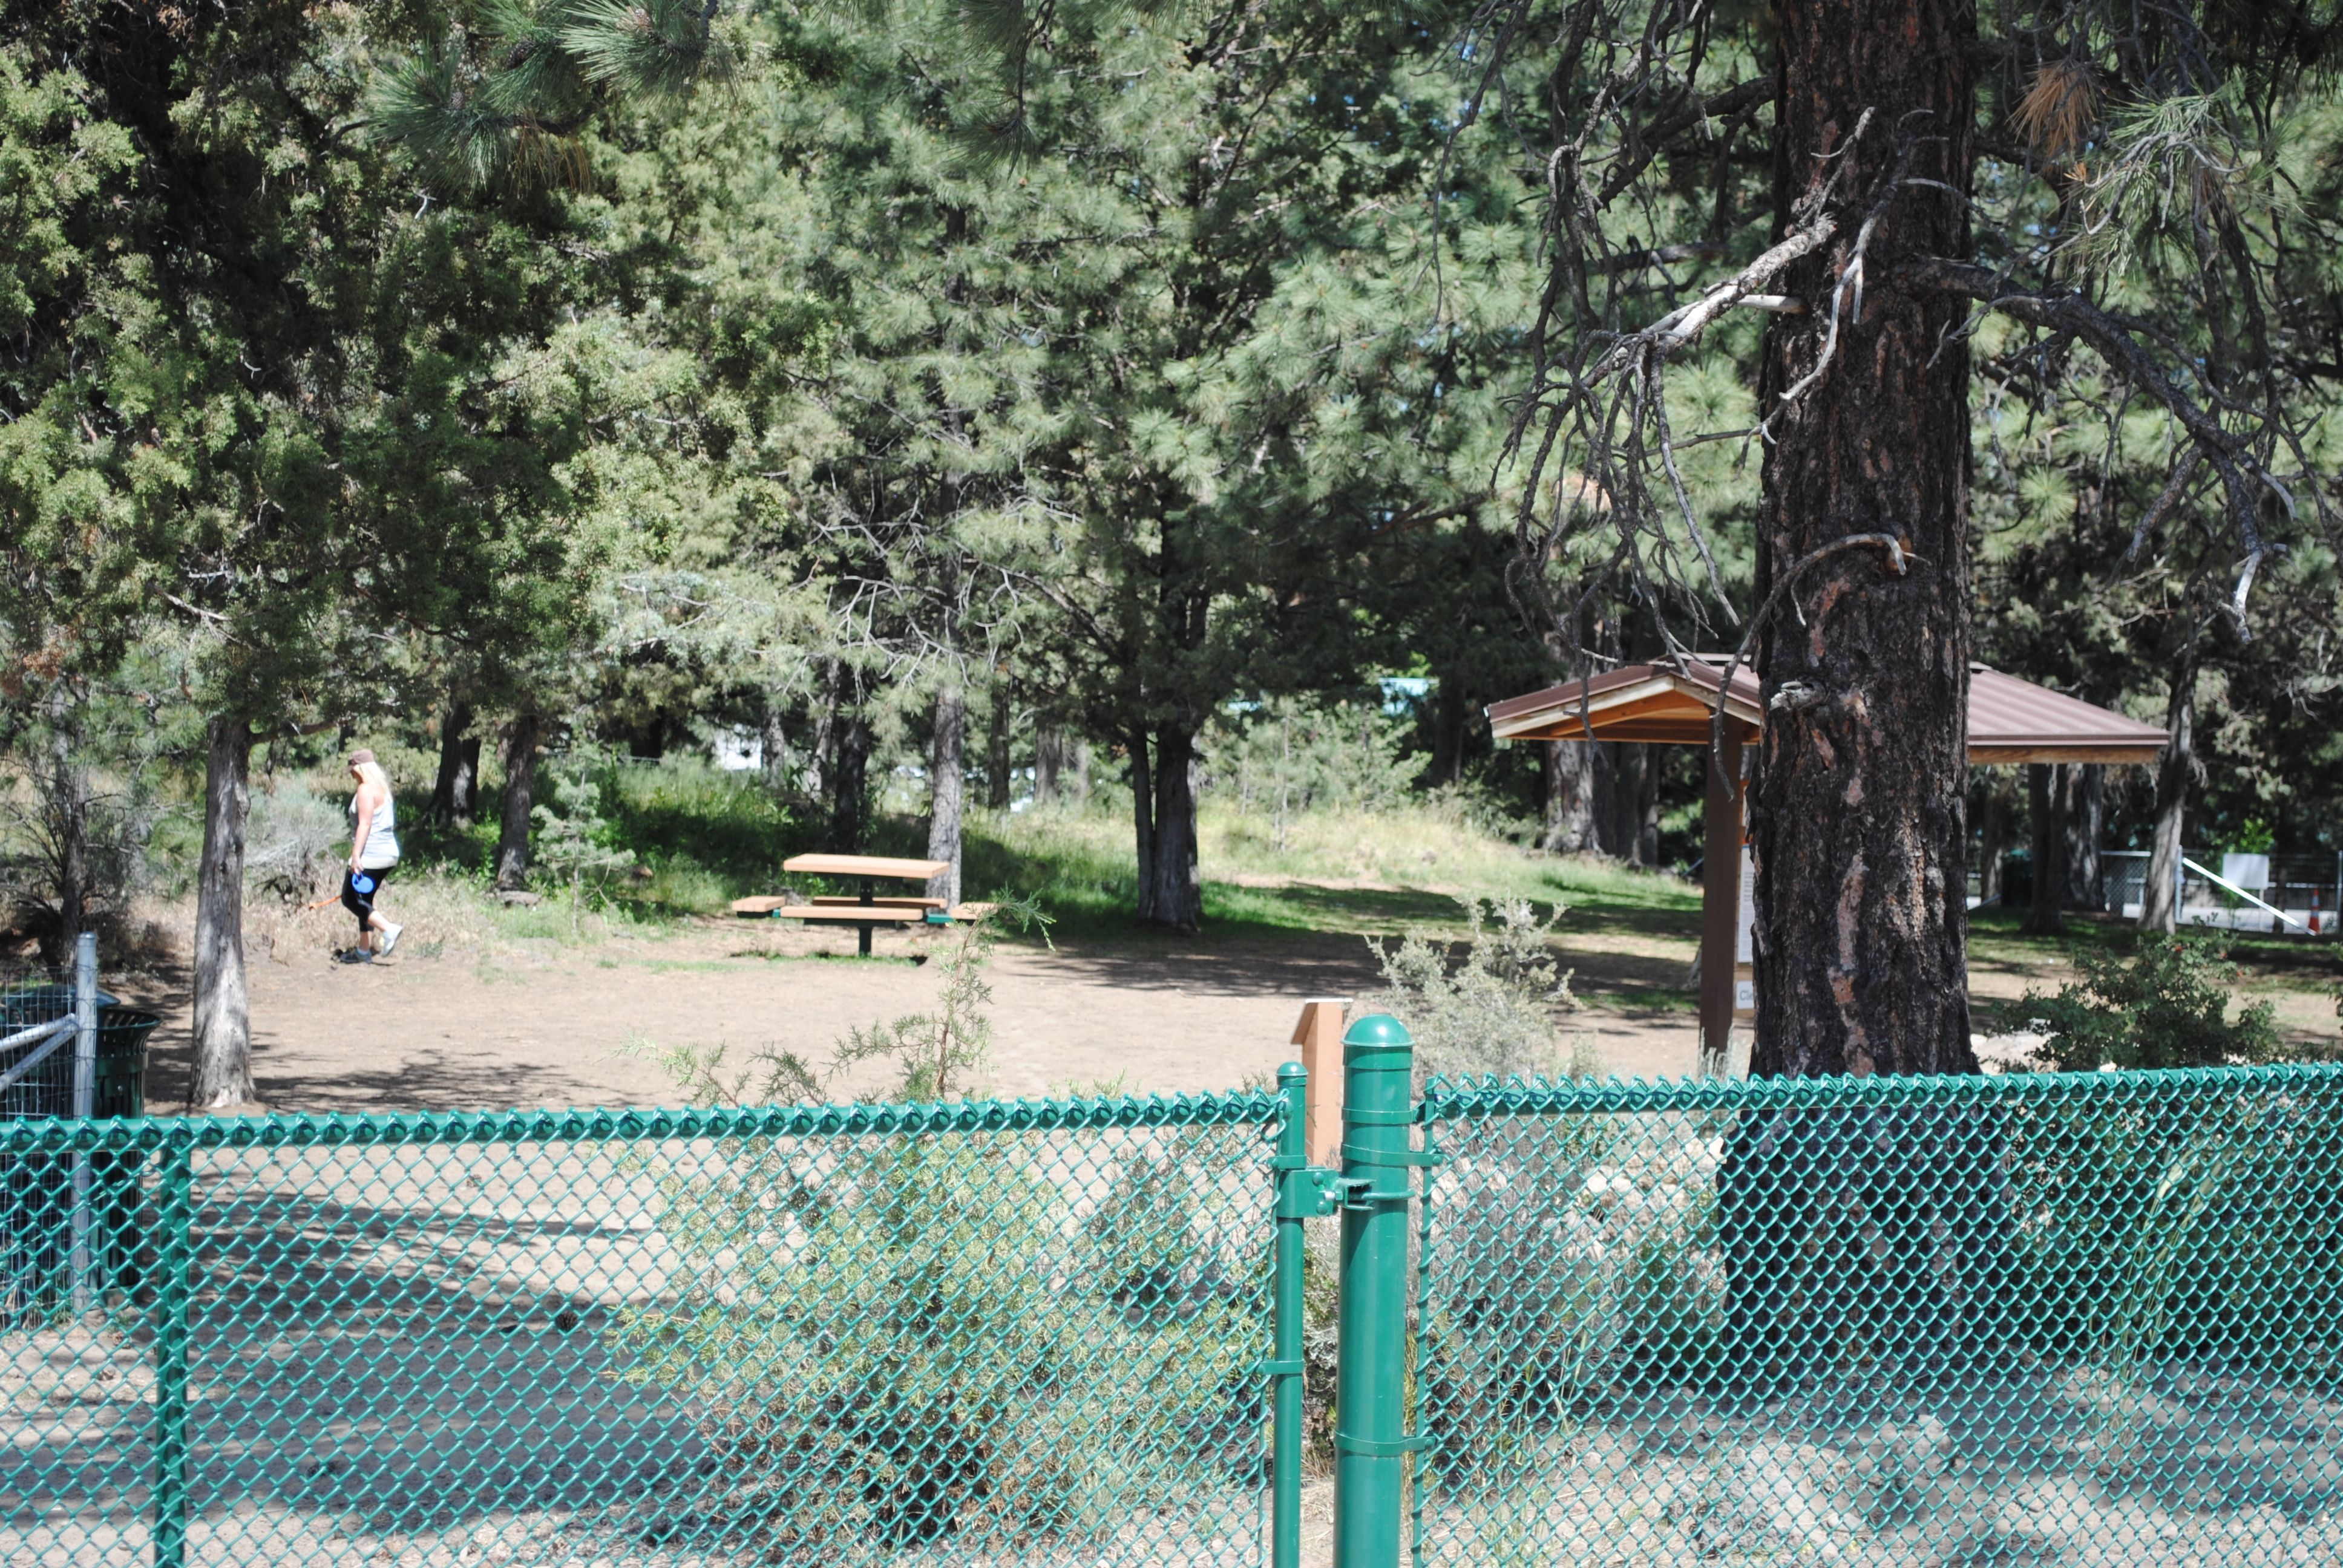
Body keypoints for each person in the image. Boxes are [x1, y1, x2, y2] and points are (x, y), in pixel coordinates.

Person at [340, 750, 404, 964]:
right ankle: (364, 951)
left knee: (349, 898)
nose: (352, 775)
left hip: (372, 854)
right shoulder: (382, 790)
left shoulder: (365, 790)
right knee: (364, 901)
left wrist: (356, 856)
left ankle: (389, 929)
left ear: (361, 769)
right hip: (388, 854)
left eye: (353, 770)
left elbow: (365, 824)